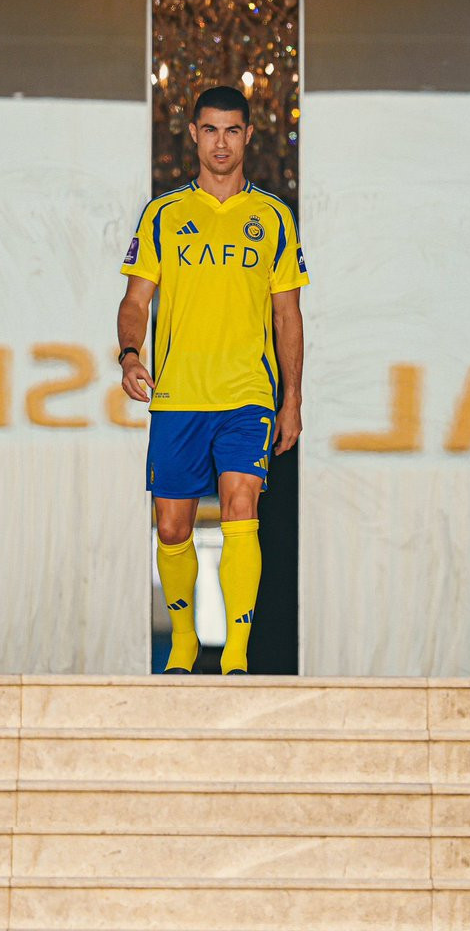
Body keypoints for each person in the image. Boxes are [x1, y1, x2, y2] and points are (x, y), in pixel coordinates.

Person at [117, 84, 309, 674]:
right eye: (210, 130)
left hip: (247, 395)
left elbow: (287, 315)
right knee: (172, 527)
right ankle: (184, 642)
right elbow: (135, 300)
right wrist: (129, 354)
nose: (220, 142)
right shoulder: (164, 215)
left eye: (231, 130)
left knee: (240, 506)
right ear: (194, 135)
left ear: (248, 136)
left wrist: (293, 400)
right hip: (179, 395)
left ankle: (237, 655)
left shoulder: (273, 217)